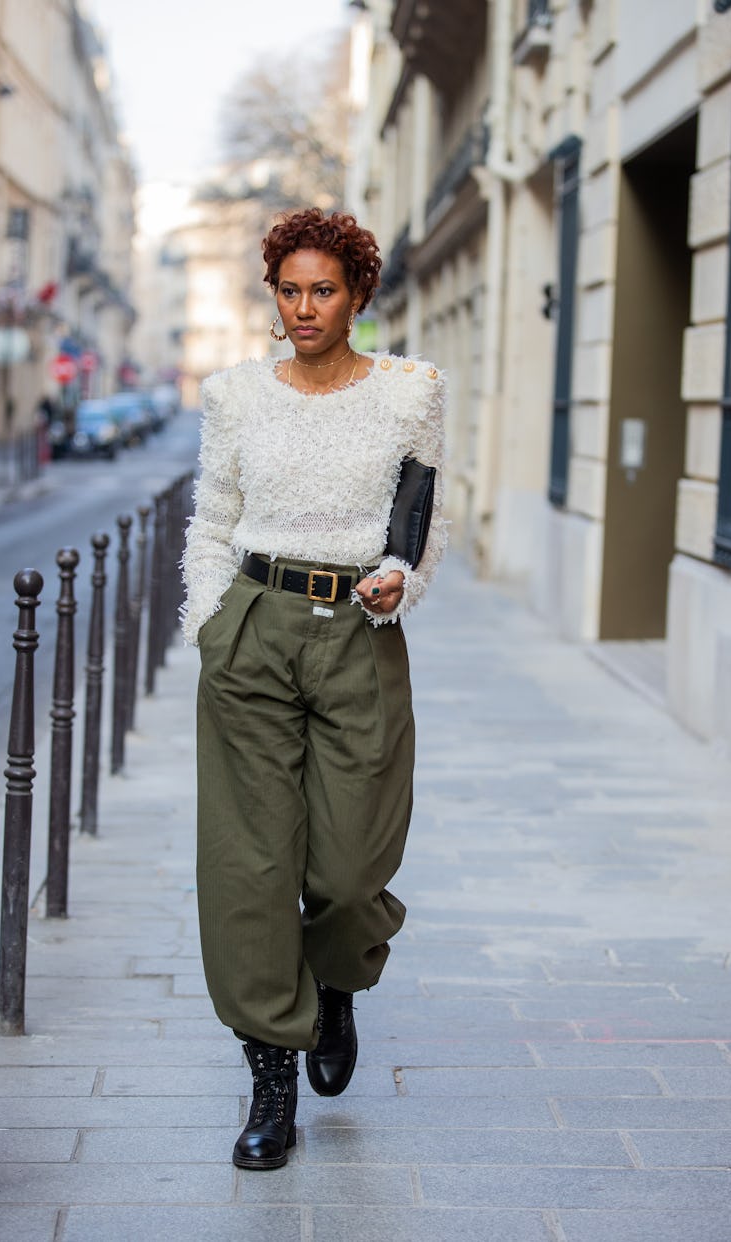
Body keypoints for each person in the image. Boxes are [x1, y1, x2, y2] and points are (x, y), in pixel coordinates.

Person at [181, 207, 446, 1171]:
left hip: (359, 637)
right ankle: (271, 1077)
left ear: (359, 296)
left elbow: (421, 523)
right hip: (253, 626)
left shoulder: (411, 393)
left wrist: (399, 581)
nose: (303, 308)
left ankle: (334, 982)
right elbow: (214, 518)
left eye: (322, 290)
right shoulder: (235, 395)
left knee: (346, 870)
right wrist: (211, 624)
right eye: (288, 290)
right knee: (250, 867)